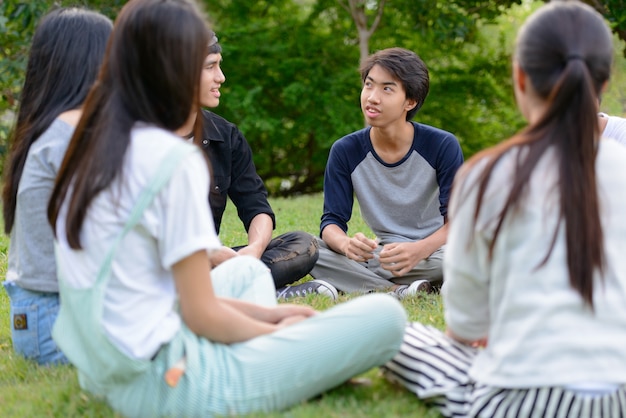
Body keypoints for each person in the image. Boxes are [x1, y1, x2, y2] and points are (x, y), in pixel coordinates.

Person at [47, 1, 407, 416]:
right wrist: (275, 330)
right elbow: (201, 316)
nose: (221, 76)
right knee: (385, 316)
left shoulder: (90, 143)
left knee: (246, 269)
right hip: (175, 387)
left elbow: (166, 297)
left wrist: (273, 314)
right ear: (176, 68)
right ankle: (289, 363)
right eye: (210, 65)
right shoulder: (170, 160)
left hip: (107, 373)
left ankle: (288, 356)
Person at [383, 2, 626, 416]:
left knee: (393, 333)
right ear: (604, 80)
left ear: (519, 76)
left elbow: (466, 328)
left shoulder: (485, 174)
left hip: (516, 401)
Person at [172, 38, 331, 300]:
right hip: (161, 261)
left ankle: (230, 285)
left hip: (212, 263)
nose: (220, 77)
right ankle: (251, 289)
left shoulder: (226, 136)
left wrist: (254, 251)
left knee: (303, 246)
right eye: (210, 67)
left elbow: (256, 207)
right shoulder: (139, 137)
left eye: (219, 66)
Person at [1, 7, 112, 365]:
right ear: (90, 65)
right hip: (56, 322)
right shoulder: (68, 136)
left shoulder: (48, 132)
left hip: (46, 314)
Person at [309, 47, 464, 298]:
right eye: (369, 85)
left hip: (436, 250)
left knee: (467, 254)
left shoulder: (442, 145)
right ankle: (399, 290)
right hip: (383, 256)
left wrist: (419, 250)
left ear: (410, 101)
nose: (372, 97)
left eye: (386, 89)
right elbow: (331, 223)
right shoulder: (345, 150)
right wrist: (347, 245)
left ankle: (378, 282)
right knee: (310, 249)